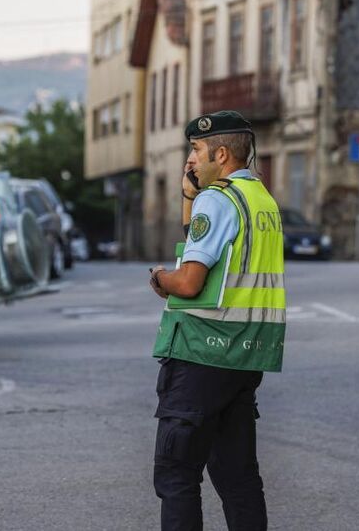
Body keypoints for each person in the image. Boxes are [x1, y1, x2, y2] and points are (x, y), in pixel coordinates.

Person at [147, 110, 286, 531]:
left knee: (176, 473)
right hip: (245, 355)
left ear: (220, 154)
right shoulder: (261, 200)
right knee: (237, 477)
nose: (190, 159)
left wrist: (159, 278)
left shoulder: (219, 198)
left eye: (196, 149)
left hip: (202, 351)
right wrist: (190, 195)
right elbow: (202, 243)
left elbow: (190, 280)